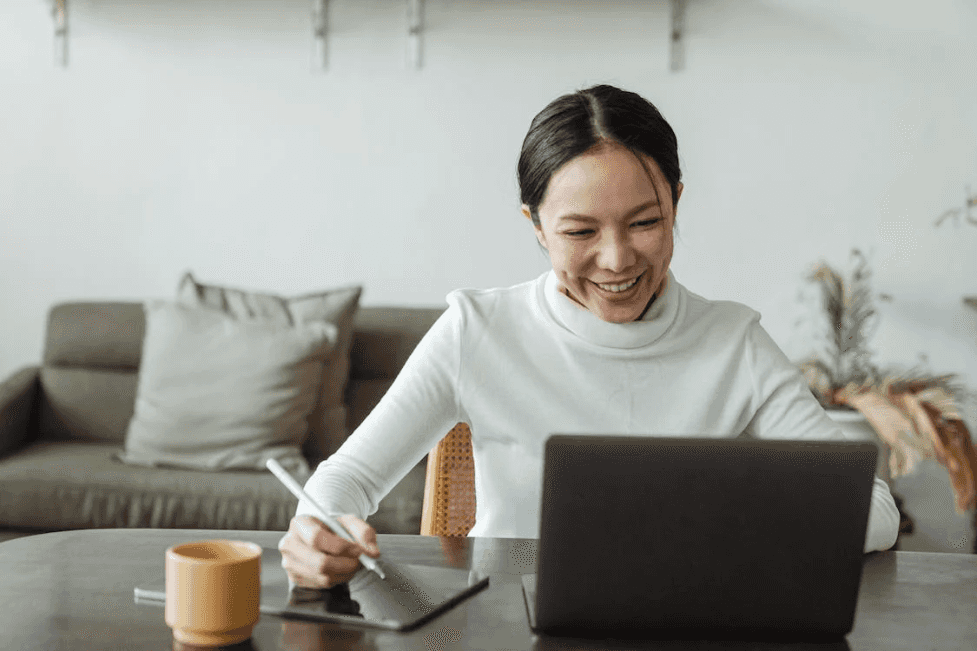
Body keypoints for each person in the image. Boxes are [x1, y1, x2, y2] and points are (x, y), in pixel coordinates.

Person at [278, 84, 901, 588]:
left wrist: (739, 531)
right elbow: (347, 479)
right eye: (580, 232)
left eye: (646, 222)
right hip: (508, 626)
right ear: (537, 226)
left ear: (676, 205)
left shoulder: (733, 342)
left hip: (684, 625)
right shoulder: (478, 331)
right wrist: (317, 529)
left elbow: (873, 510)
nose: (617, 260)